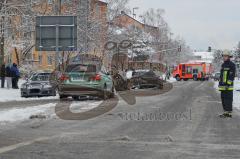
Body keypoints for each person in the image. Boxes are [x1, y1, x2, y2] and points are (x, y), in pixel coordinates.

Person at [218, 50, 236, 118]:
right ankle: (225, 113)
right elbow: (222, 76)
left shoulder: (232, 65)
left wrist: (228, 84)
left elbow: (231, 75)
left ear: (229, 56)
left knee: (228, 99)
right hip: (222, 86)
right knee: (223, 99)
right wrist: (220, 83)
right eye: (224, 56)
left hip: (228, 86)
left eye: (226, 56)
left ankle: (229, 113)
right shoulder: (223, 64)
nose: (224, 57)